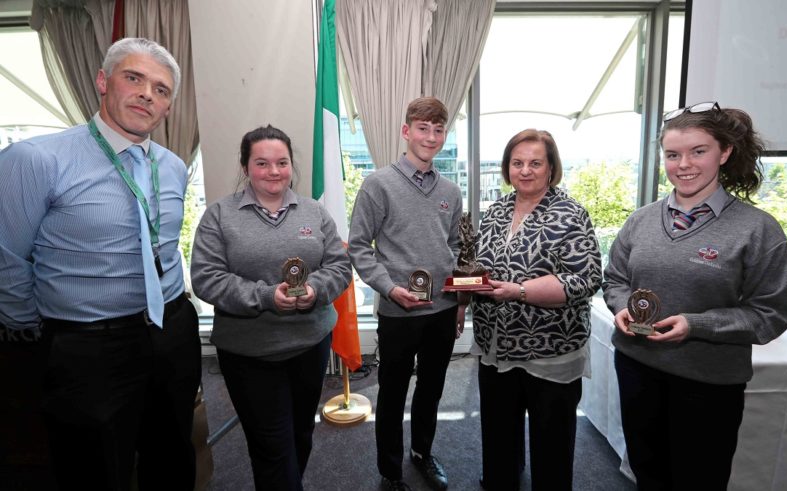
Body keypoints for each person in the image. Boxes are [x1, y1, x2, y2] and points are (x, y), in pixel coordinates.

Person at [0, 37, 201, 489]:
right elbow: (6, 258)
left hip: (171, 330)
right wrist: (39, 333)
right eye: (134, 78)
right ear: (102, 81)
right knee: (92, 468)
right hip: (87, 346)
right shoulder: (36, 160)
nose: (148, 93)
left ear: (168, 108)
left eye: (162, 89)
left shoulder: (171, 167)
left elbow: (163, 247)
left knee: (171, 456)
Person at [603, 102, 787, 490]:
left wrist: (697, 324)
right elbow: (615, 280)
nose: (684, 164)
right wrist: (624, 307)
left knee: (699, 479)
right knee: (648, 472)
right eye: (673, 155)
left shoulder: (758, 230)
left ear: (724, 153)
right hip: (637, 369)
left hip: (708, 383)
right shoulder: (640, 220)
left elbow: (771, 314)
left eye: (698, 151)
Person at [191, 125, 351, 491]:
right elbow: (206, 278)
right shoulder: (219, 216)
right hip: (250, 354)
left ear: (292, 166)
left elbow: (340, 267)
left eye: (281, 162)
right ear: (246, 167)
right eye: (262, 163)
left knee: (300, 435)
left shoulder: (315, 212)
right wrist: (265, 296)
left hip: (310, 347)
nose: (274, 171)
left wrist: (316, 289)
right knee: (273, 446)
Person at [469, 129, 602, 490]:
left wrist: (520, 291)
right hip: (496, 345)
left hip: (549, 349)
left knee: (552, 444)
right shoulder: (495, 210)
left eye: (535, 163)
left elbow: (586, 279)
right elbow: (478, 264)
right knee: (498, 434)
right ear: (507, 167)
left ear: (550, 168)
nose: (525, 170)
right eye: (517, 163)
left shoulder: (570, 214)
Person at [349, 97, 462, 491]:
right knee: (393, 394)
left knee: (432, 389)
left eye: (438, 130)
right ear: (406, 131)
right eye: (422, 128)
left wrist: (461, 301)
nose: (430, 137)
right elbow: (359, 246)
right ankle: (391, 471)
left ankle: (422, 453)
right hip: (398, 312)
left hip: (442, 311)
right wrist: (389, 288)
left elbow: (456, 249)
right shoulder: (378, 184)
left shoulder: (451, 189)